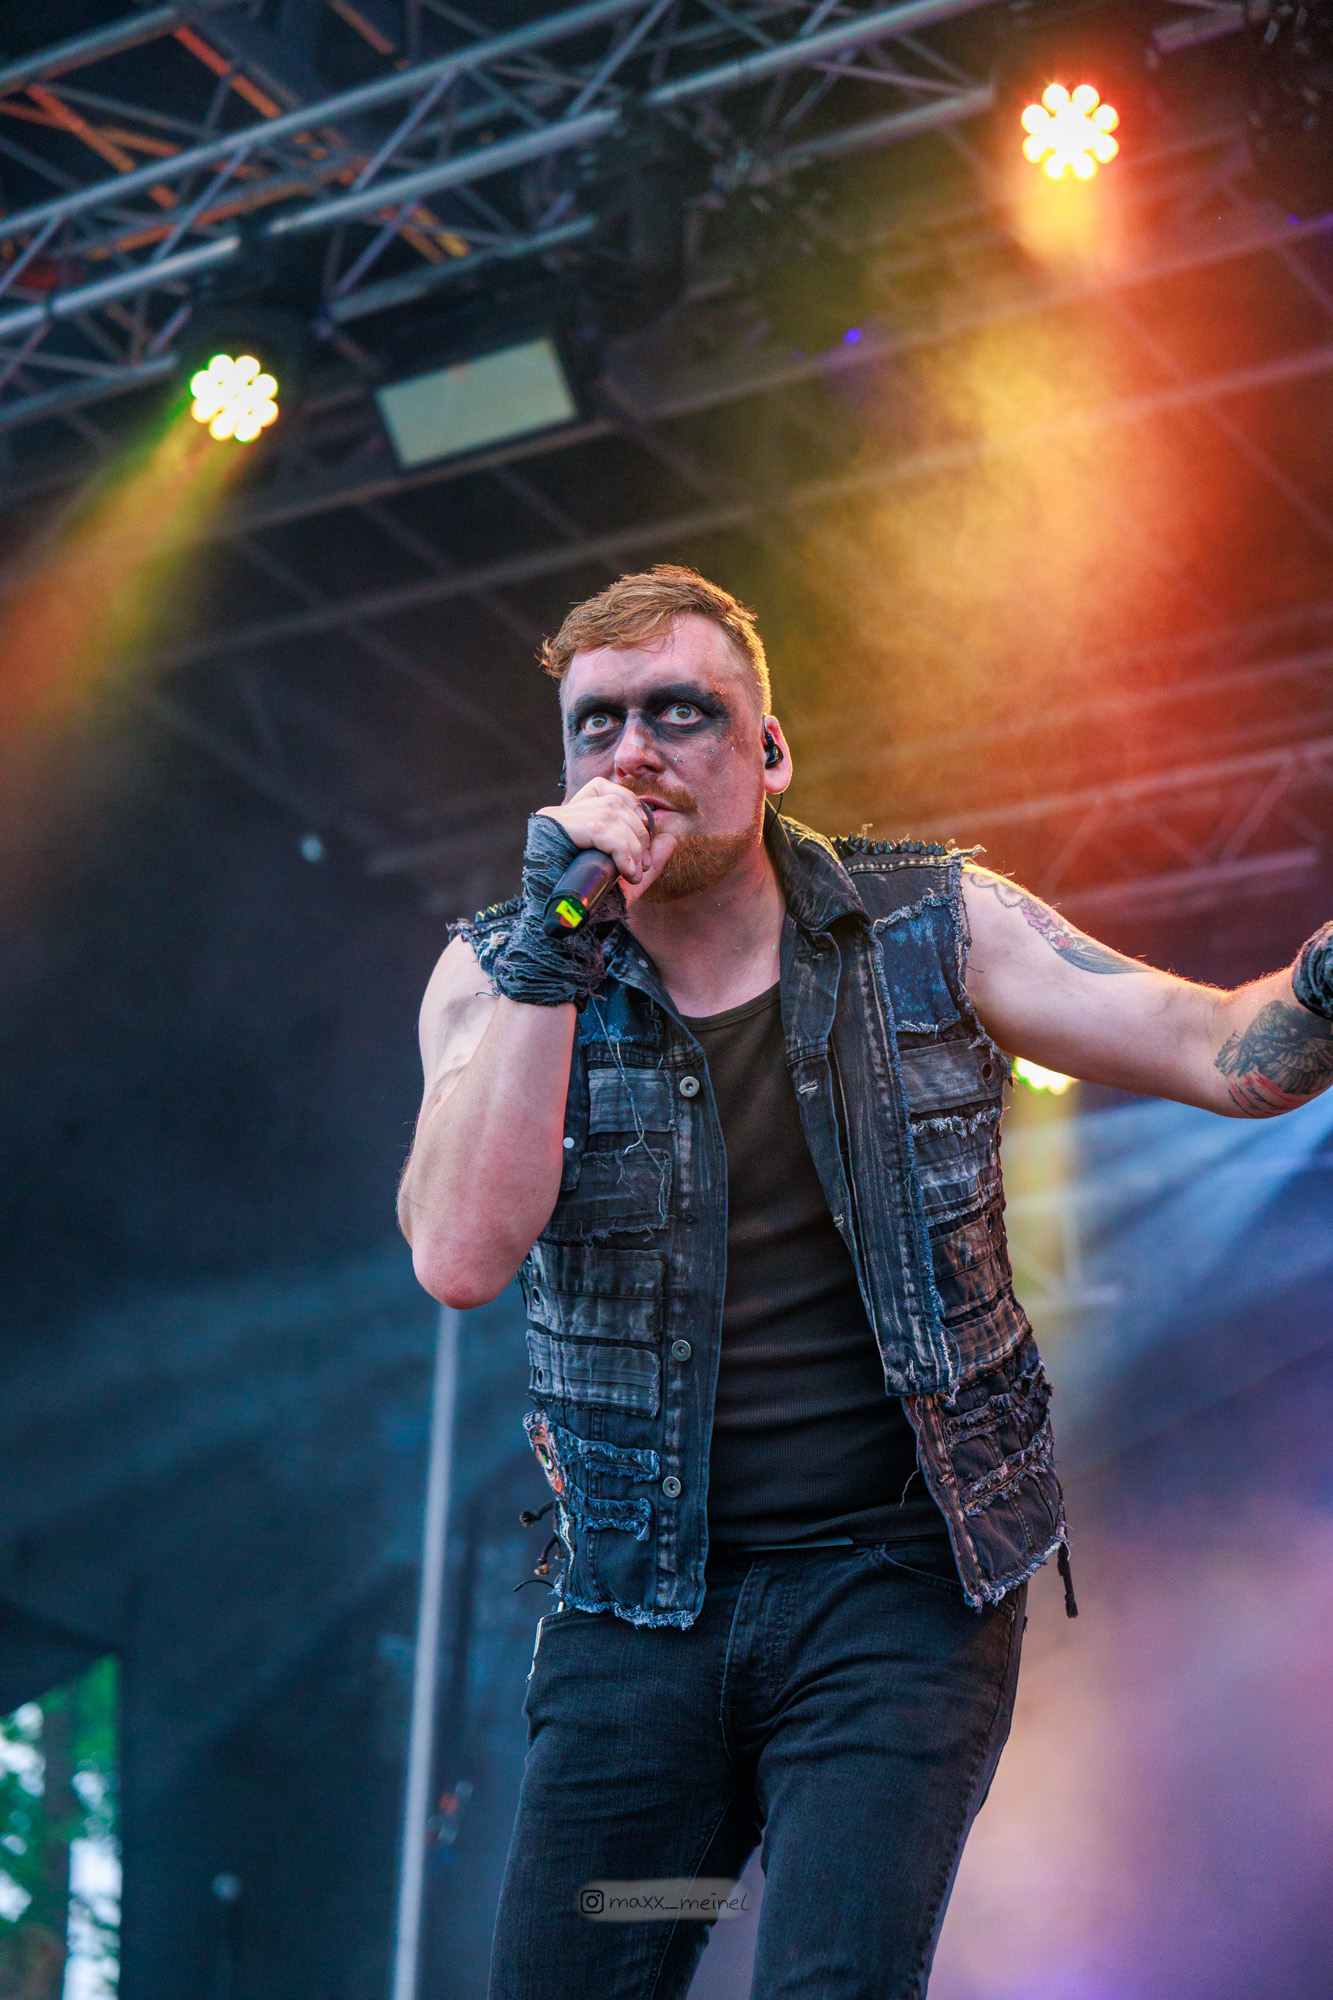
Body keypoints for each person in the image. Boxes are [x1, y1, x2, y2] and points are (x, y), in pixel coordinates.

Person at [397, 565, 1333, 2000]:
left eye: (680, 712)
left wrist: (1320, 989)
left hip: (893, 1598)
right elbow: (460, 1258)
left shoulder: (934, 925)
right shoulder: (499, 976)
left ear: (768, 753)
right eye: (596, 725)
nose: (633, 752)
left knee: (830, 1980)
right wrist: (554, 950)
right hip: (637, 1615)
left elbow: (1219, 1050)